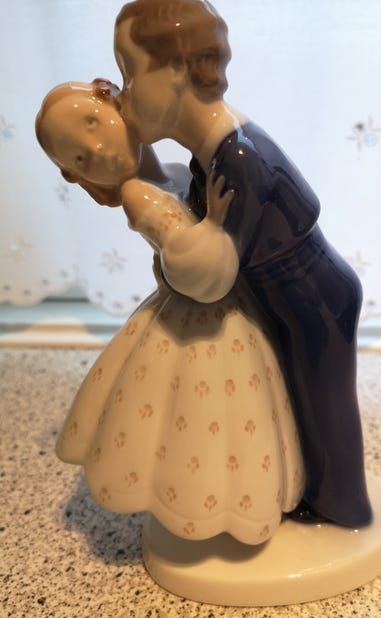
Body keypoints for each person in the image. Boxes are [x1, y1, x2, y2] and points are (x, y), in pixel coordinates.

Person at [113, 0, 373, 528]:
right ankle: (307, 489)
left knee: (324, 407)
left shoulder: (238, 158)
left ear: (176, 70)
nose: (124, 93)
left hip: (315, 302)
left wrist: (170, 235)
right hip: (286, 298)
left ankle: (343, 506)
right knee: (298, 402)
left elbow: (212, 276)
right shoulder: (213, 151)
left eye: (129, 73)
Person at [36, 80, 305, 545]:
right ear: (77, 177)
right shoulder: (140, 196)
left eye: (93, 123)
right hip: (205, 312)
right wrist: (218, 223)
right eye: (79, 158)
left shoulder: (174, 171)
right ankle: (206, 504)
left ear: (111, 97)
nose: (96, 150)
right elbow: (197, 270)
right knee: (205, 416)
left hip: (224, 302)